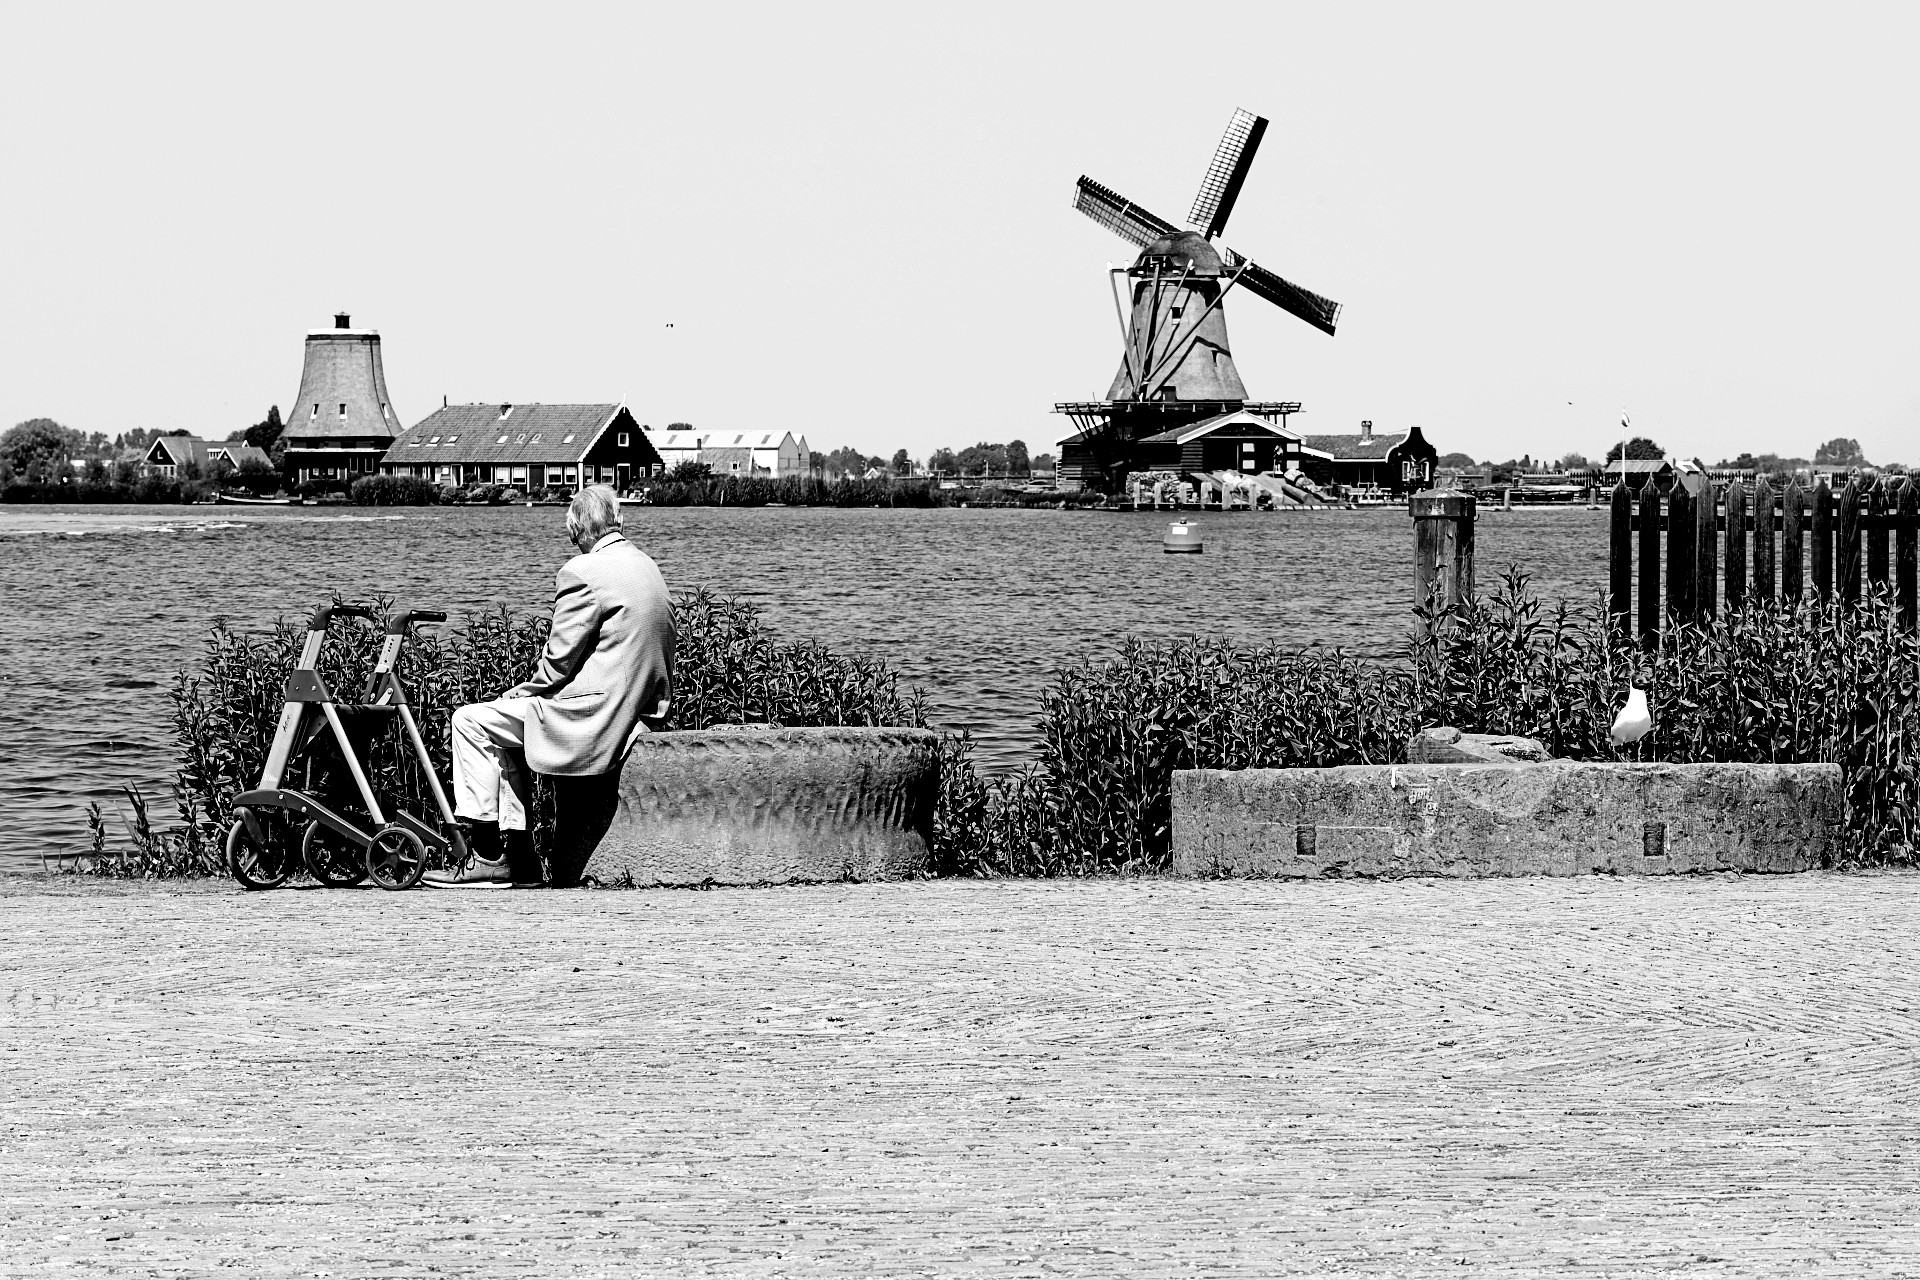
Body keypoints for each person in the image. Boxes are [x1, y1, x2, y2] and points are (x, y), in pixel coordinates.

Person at [424, 484, 674, 887]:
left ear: (576, 533)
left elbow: (559, 659)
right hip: (640, 710)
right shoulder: (647, 565)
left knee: (470, 720)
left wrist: (527, 689)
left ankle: (487, 854)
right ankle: (520, 862)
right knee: (504, 734)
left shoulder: (583, 572)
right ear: (618, 520)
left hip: (595, 715)